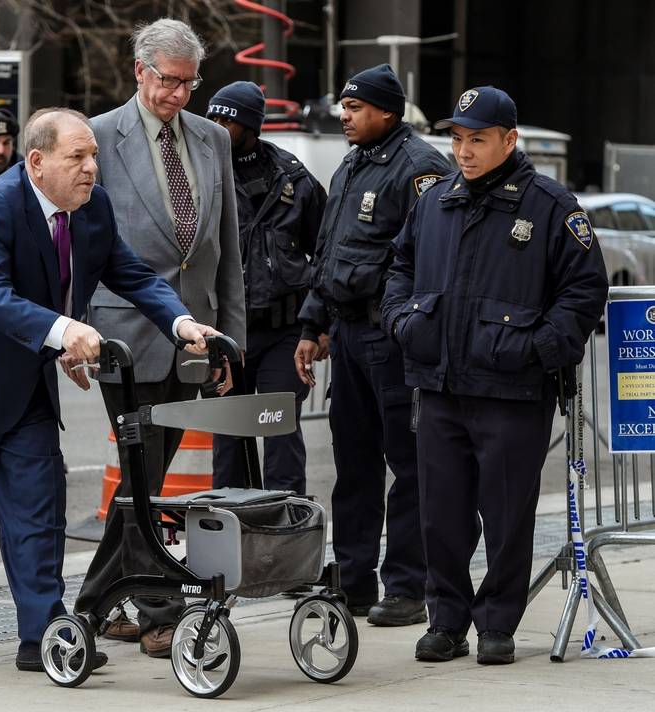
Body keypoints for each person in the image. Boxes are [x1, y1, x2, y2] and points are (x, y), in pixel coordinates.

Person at [0, 108, 220, 671]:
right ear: (36, 163)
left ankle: (43, 637)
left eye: (93, 156)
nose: (90, 168)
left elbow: (129, 274)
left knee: (38, 513)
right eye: (76, 157)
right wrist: (64, 331)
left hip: (23, 391)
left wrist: (181, 324)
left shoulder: (92, 207)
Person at [381, 86, 608, 664]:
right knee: (441, 516)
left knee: (507, 516)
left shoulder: (552, 207)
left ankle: (498, 623)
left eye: (477, 139)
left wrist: (537, 349)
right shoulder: (433, 203)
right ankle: (446, 620)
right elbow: (400, 268)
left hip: (512, 391)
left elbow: (584, 291)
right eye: (457, 138)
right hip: (439, 386)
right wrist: (403, 322)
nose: (463, 150)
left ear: (510, 140)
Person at [73, 18, 246, 659]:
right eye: (167, 81)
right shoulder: (96, 136)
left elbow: (226, 247)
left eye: (189, 82)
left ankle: (106, 599)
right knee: (144, 469)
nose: (177, 94)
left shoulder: (209, 139)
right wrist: (73, 328)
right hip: (125, 331)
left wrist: (232, 337)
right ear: (140, 72)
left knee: (152, 471)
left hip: (195, 331)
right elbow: (82, 247)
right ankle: (156, 608)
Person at [294, 64, 452, 626]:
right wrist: (313, 326)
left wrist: (404, 327)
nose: (344, 115)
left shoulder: (420, 169)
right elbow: (329, 254)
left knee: (408, 467)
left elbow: (432, 265)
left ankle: (407, 586)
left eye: (355, 107)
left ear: (388, 111)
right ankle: (353, 580)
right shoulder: (353, 164)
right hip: (347, 335)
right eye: (344, 105)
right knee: (353, 466)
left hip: (392, 340)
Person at [206, 81, 326, 494]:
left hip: (284, 330)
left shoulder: (295, 179)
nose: (216, 126)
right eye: (212, 117)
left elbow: (324, 255)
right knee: (229, 436)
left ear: (250, 125)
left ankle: (285, 523)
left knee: (280, 431)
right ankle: (230, 526)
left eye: (226, 119)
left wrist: (319, 325)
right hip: (225, 333)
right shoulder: (204, 179)